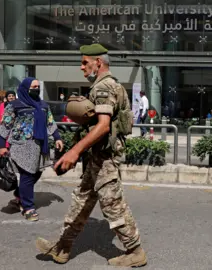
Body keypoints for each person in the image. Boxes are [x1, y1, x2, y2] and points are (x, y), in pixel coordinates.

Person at [35, 44, 146, 267]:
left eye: (85, 62)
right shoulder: (107, 85)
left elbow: (104, 126)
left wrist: (74, 151)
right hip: (97, 157)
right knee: (82, 200)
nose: (82, 67)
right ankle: (63, 247)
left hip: (104, 158)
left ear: (99, 63)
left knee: (112, 204)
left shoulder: (104, 87)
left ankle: (135, 251)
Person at [0, 78, 63, 221]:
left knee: (36, 173)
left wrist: (57, 137)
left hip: (40, 146)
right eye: (33, 86)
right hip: (21, 145)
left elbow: (50, 122)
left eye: (38, 86)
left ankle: (20, 194)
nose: (36, 88)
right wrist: (2, 145)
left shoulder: (43, 105)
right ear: (25, 88)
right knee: (27, 175)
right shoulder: (15, 105)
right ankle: (28, 208)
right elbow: (6, 125)